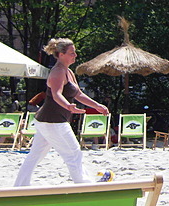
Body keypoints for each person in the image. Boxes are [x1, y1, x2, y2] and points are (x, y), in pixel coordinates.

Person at [14, 38, 110, 186]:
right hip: (53, 121)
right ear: (61, 54)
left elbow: (78, 94)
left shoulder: (68, 71)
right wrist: (68, 106)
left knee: (35, 156)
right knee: (73, 152)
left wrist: (97, 105)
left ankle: (19, 186)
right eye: (72, 53)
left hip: (47, 121)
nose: (75, 55)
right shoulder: (58, 71)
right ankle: (83, 184)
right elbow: (56, 94)